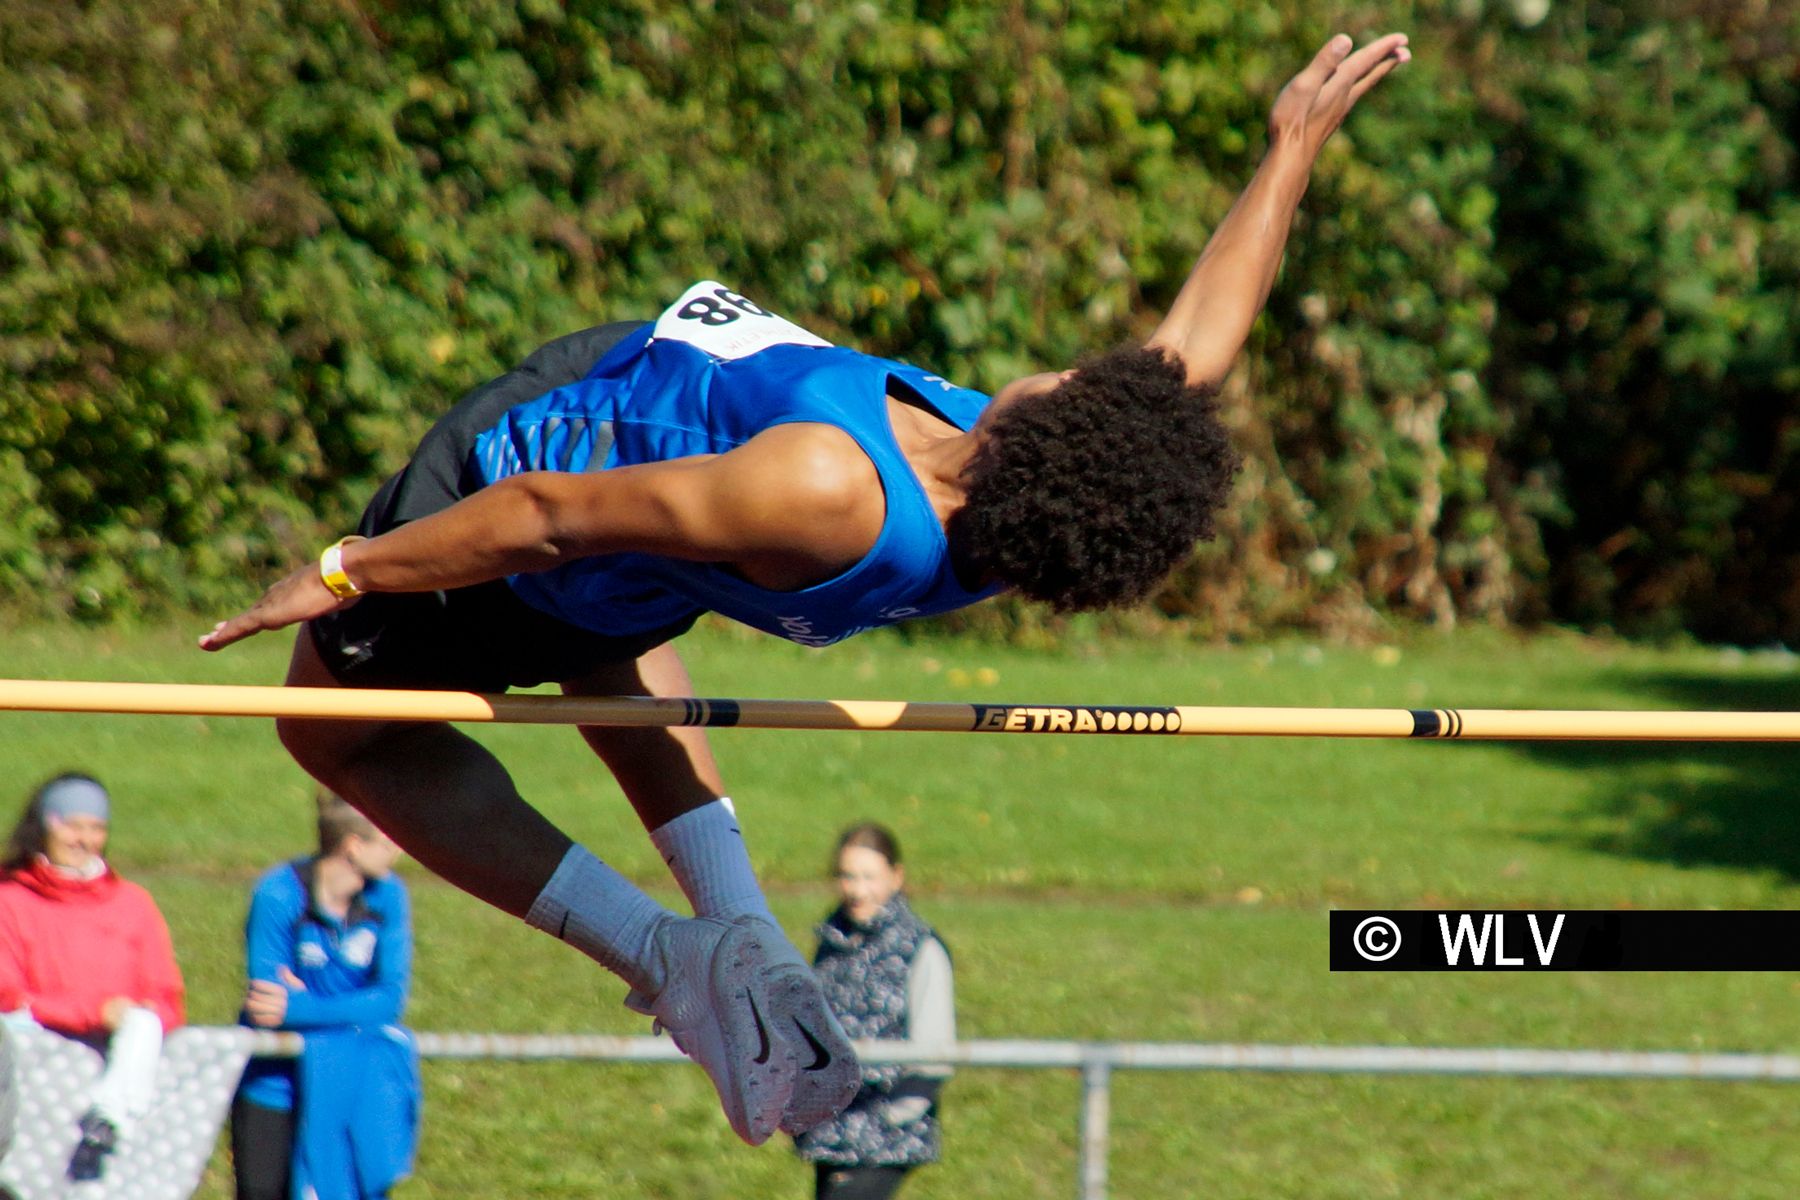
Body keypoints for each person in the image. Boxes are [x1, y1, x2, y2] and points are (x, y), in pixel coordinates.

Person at [197, 34, 1410, 1146]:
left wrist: (346, 567)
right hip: (648, 533)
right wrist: (1291, 149)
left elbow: (551, 517)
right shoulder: (1022, 506)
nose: (1092, 363)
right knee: (614, 625)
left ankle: (664, 954)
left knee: (339, 735)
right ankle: (747, 940)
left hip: (526, 480)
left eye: (1086, 380)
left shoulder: (832, 487)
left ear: (1049, 435)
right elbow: (1195, 348)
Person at [0, 773, 186, 1182]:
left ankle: (109, 1120)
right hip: (33, 1048)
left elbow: (167, 997)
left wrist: (138, 1014)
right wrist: (94, 1012)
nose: (85, 840)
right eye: (73, 826)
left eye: (96, 828)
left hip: (123, 1048)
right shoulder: (9, 900)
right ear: (45, 827)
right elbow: (8, 996)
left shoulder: (133, 904)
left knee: (145, 1024)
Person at [232, 792, 417, 1200]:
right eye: (387, 841)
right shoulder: (278, 893)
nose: (399, 849)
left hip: (352, 1080)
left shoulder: (390, 895)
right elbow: (266, 1005)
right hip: (273, 1086)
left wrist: (301, 1006)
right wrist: (355, 1007)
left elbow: (390, 1000)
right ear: (353, 846)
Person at [796, 825, 953, 1200]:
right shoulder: (830, 942)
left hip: (887, 1137)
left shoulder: (921, 947)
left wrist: (892, 1116)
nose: (857, 890)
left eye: (869, 877)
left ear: (896, 877)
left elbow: (936, 1053)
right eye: (848, 876)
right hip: (829, 1132)